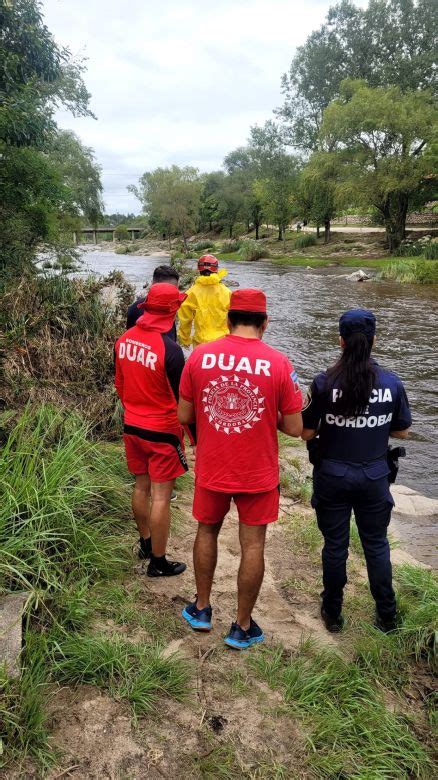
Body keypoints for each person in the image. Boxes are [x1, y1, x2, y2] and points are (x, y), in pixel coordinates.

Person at [178, 288, 303, 649]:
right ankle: (242, 625)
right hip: (257, 473)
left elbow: (184, 415)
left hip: (213, 467)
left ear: (228, 320)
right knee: (253, 547)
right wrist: (268, 414)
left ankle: (202, 609)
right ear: (264, 323)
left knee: (206, 531)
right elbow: (295, 428)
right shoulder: (279, 364)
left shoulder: (199, 356)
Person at [301, 309, 411, 633]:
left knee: (335, 546)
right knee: (376, 544)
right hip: (375, 477)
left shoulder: (324, 382)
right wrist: (372, 426)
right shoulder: (391, 383)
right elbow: (403, 431)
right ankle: (387, 616)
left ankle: (333, 615)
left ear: (341, 341)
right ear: (374, 341)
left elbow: (306, 433)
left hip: (332, 476)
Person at [115, 283, 189, 577]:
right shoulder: (171, 351)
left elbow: (120, 385)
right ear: (172, 310)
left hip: (132, 425)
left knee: (141, 486)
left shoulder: (123, 340)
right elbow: (182, 400)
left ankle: (145, 542)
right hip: (162, 432)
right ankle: (158, 562)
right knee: (160, 496)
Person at [178, 255, 231, 348]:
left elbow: (185, 320)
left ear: (199, 270)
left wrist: (185, 340)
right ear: (216, 269)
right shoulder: (227, 292)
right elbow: (235, 320)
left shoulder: (191, 293)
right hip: (223, 343)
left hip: (201, 344)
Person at [127, 265, 180, 340]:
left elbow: (129, 338)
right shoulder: (172, 308)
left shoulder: (135, 307)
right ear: (177, 286)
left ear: (152, 284)